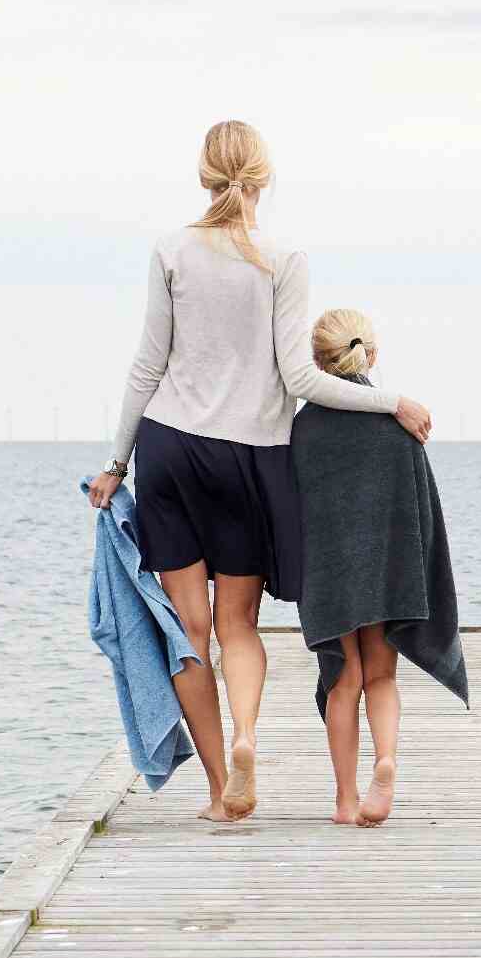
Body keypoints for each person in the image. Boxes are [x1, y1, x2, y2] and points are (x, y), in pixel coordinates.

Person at [87, 120, 433, 821]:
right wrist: (390, 402)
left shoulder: (171, 250)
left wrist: (115, 464)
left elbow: (148, 364)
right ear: (263, 178)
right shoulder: (283, 259)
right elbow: (301, 375)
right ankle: (246, 733)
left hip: (171, 447)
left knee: (190, 627)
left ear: (204, 176)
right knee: (237, 626)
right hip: (250, 457)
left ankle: (222, 789)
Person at [293, 307, 469, 826]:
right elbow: (422, 509)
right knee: (382, 677)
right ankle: (386, 761)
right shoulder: (398, 426)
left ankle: (346, 803)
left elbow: (290, 507)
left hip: (329, 574)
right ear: (371, 355)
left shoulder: (302, 431)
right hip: (389, 567)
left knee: (342, 680)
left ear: (315, 361)